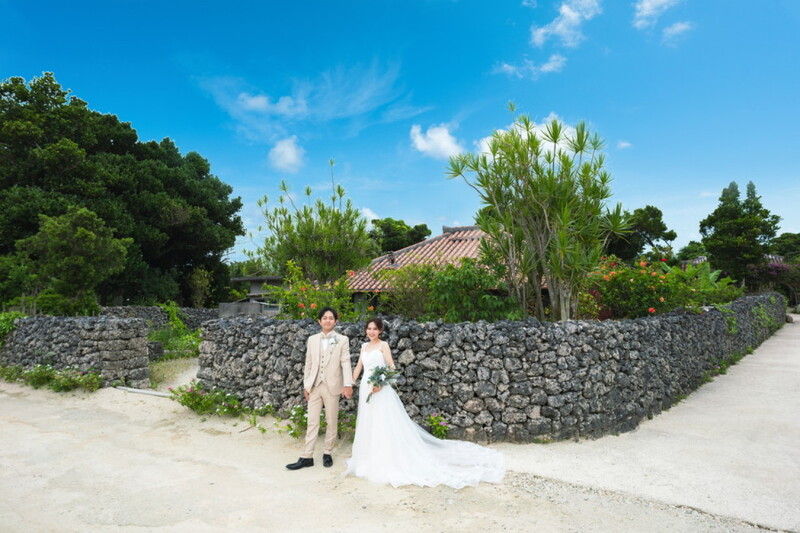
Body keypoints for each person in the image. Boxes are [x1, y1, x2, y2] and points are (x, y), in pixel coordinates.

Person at [344, 317, 505, 488]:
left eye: (375, 329)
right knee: (368, 421)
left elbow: (392, 367)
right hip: (366, 388)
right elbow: (359, 367)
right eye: (369, 328)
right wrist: (349, 384)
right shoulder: (364, 346)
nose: (371, 332)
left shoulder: (383, 345)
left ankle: (385, 458)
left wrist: (381, 383)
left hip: (380, 390)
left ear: (380, 331)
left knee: (383, 422)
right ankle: (368, 457)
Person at [286, 307, 353, 470]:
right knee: (312, 421)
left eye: (331, 318)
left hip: (333, 386)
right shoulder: (312, 339)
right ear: (319, 321)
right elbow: (308, 363)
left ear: (335, 321)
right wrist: (306, 385)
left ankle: (327, 453)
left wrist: (348, 384)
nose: (327, 320)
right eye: (325, 318)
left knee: (331, 421)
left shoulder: (342, 339)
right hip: (315, 386)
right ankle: (307, 456)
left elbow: (345, 362)